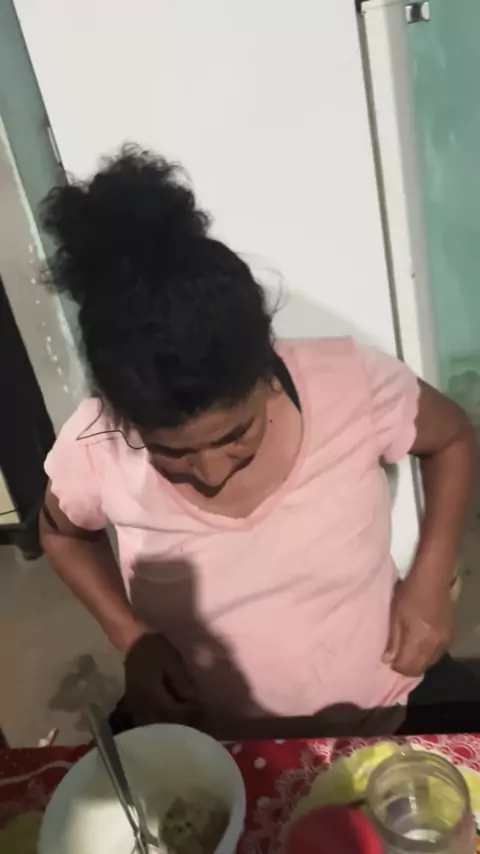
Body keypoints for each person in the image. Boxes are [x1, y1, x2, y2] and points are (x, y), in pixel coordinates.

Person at [39, 147, 477, 737]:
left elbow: (452, 438)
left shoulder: (349, 384)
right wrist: (132, 638)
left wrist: (432, 574)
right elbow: (61, 534)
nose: (211, 472)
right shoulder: (98, 445)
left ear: (268, 372)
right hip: (212, 746)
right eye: (171, 452)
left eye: (235, 435)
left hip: (382, 715)